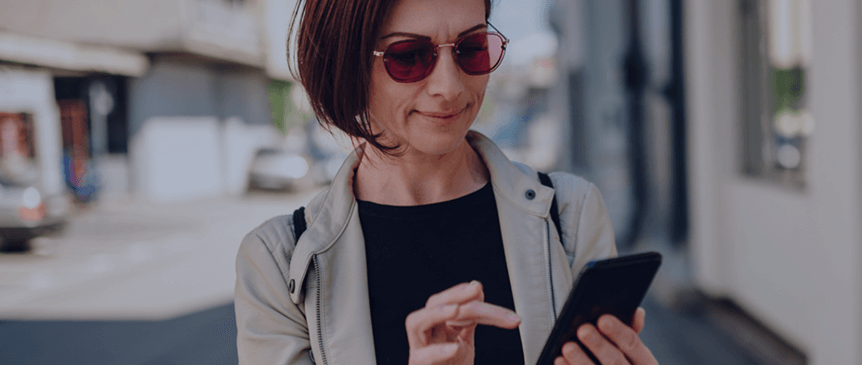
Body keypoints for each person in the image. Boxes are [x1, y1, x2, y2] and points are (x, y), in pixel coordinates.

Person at [233, 0, 659, 364]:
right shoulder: (278, 265)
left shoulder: (569, 213)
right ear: (346, 62)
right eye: (409, 57)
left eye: (472, 49)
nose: (450, 86)